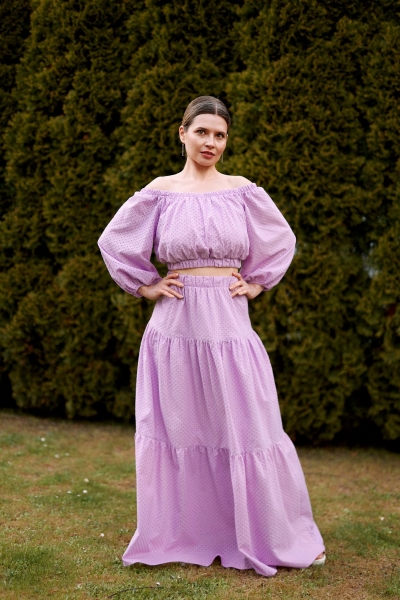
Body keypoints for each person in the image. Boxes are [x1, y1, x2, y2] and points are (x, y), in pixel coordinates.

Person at [98, 95, 326, 577]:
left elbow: (281, 239)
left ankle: (267, 533)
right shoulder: (160, 192)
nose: (211, 142)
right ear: (182, 133)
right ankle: (190, 531)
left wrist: (257, 281)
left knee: (249, 428)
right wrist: (145, 285)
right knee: (183, 430)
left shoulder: (242, 191)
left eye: (220, 135)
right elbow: (114, 240)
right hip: (175, 328)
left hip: (228, 324)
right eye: (202, 132)